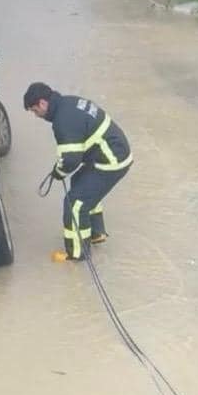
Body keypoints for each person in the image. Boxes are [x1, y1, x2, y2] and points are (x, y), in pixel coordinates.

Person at [24, 82, 132, 261]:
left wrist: (58, 173)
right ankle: (96, 233)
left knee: (74, 203)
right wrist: (63, 167)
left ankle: (77, 252)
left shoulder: (62, 121)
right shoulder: (69, 103)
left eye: (35, 111)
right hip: (113, 152)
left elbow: (71, 159)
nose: (37, 116)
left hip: (111, 161)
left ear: (42, 103)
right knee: (80, 182)